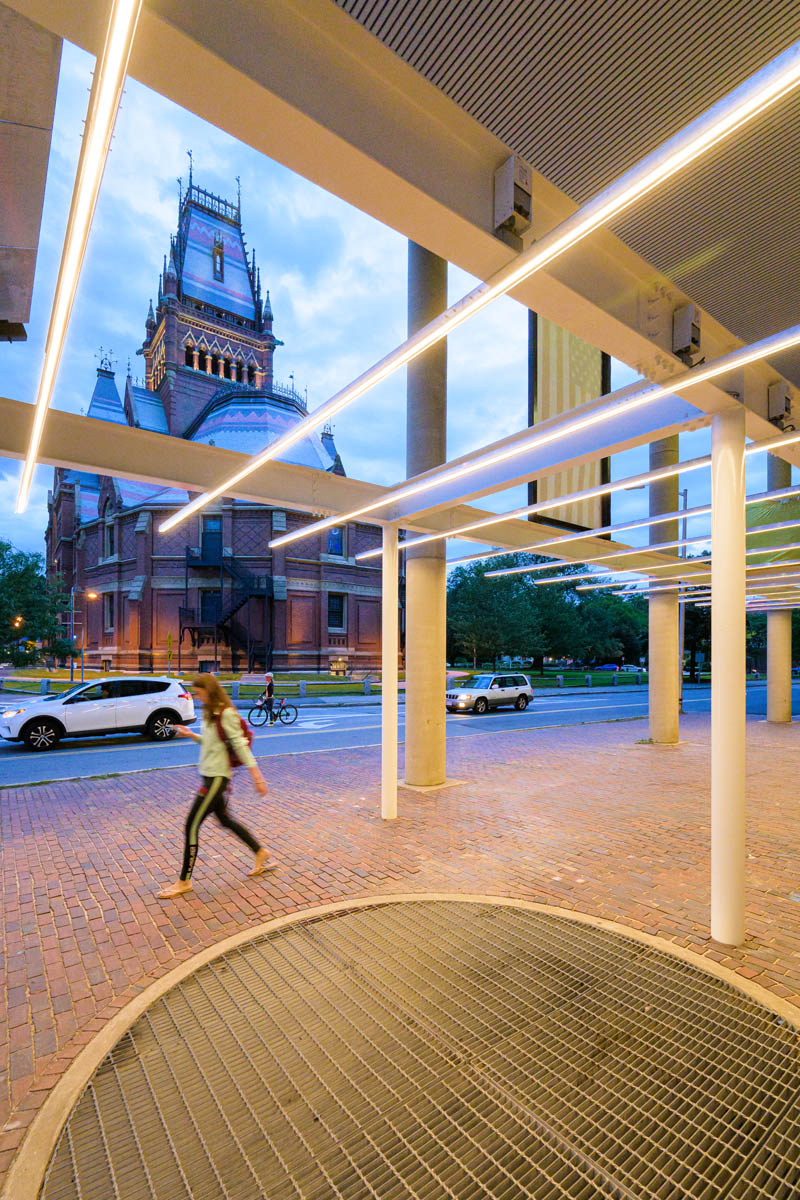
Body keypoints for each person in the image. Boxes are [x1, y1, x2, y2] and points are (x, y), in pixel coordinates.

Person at [158, 673, 277, 899]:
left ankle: (184, 881)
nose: (195, 695)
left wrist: (257, 776)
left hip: (217, 779)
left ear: (209, 691)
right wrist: (192, 734)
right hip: (209, 777)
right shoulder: (210, 714)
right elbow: (213, 744)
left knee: (191, 826)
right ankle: (261, 852)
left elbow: (241, 747)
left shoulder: (226, 714)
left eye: (198, 692)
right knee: (225, 820)